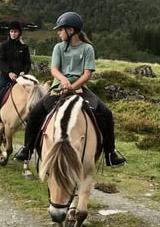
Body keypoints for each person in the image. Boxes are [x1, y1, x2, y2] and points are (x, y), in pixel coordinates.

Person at [14, 11, 126, 167]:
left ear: (71, 30)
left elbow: (87, 74)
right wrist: (64, 80)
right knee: (35, 113)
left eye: (61, 29)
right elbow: (54, 69)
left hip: (79, 88)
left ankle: (110, 153)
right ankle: (27, 149)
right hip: (57, 88)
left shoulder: (87, 49)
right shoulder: (58, 48)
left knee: (106, 114)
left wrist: (72, 87)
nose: (59, 33)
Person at [0, 20, 32, 132]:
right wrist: (9, 73)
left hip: (21, 78)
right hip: (6, 76)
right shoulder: (4, 46)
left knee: (31, 96)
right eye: (11, 31)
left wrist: (23, 72)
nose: (13, 33)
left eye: (15, 31)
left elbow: (27, 63)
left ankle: (27, 120)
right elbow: (1, 62)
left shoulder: (24, 47)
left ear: (19, 33)